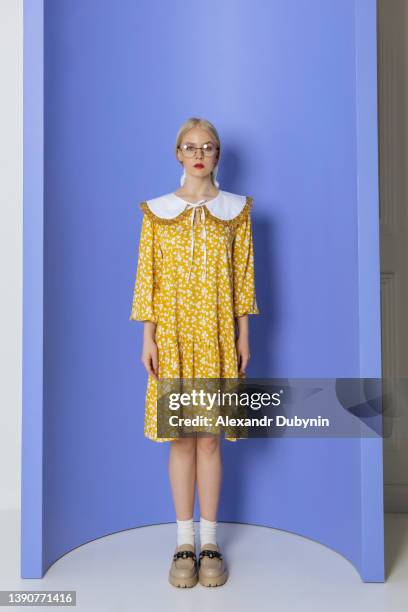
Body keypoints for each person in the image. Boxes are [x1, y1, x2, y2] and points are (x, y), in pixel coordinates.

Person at [129, 117, 260, 587]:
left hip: (219, 335)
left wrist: (244, 336)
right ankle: (183, 542)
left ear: (217, 155)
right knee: (181, 437)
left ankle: (210, 543)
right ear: (178, 154)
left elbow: (243, 278)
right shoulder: (157, 212)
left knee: (210, 438)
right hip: (176, 336)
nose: (199, 153)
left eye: (207, 146)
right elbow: (148, 279)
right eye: (190, 146)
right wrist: (149, 337)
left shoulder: (237, 211)